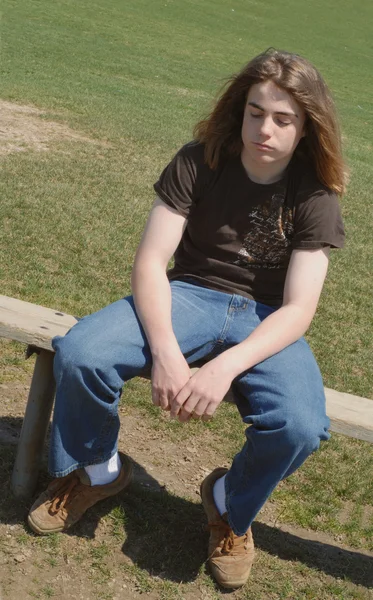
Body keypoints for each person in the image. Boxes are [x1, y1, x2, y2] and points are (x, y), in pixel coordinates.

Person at [27, 49, 346, 589]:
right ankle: (98, 472)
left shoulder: (316, 195)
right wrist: (169, 356)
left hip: (266, 319)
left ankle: (228, 502)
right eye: (255, 112)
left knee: (299, 426)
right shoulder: (200, 160)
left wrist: (223, 370)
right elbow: (151, 262)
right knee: (83, 353)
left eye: (282, 118)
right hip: (189, 296)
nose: (263, 128)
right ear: (240, 110)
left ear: (306, 126)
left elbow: (298, 309)